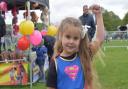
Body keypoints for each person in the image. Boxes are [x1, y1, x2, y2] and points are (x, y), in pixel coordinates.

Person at [47, 4, 105, 89]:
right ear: (61, 36)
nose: (71, 41)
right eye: (68, 37)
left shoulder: (84, 55)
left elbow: (100, 39)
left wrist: (99, 15)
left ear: (80, 40)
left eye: (75, 38)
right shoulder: (55, 63)